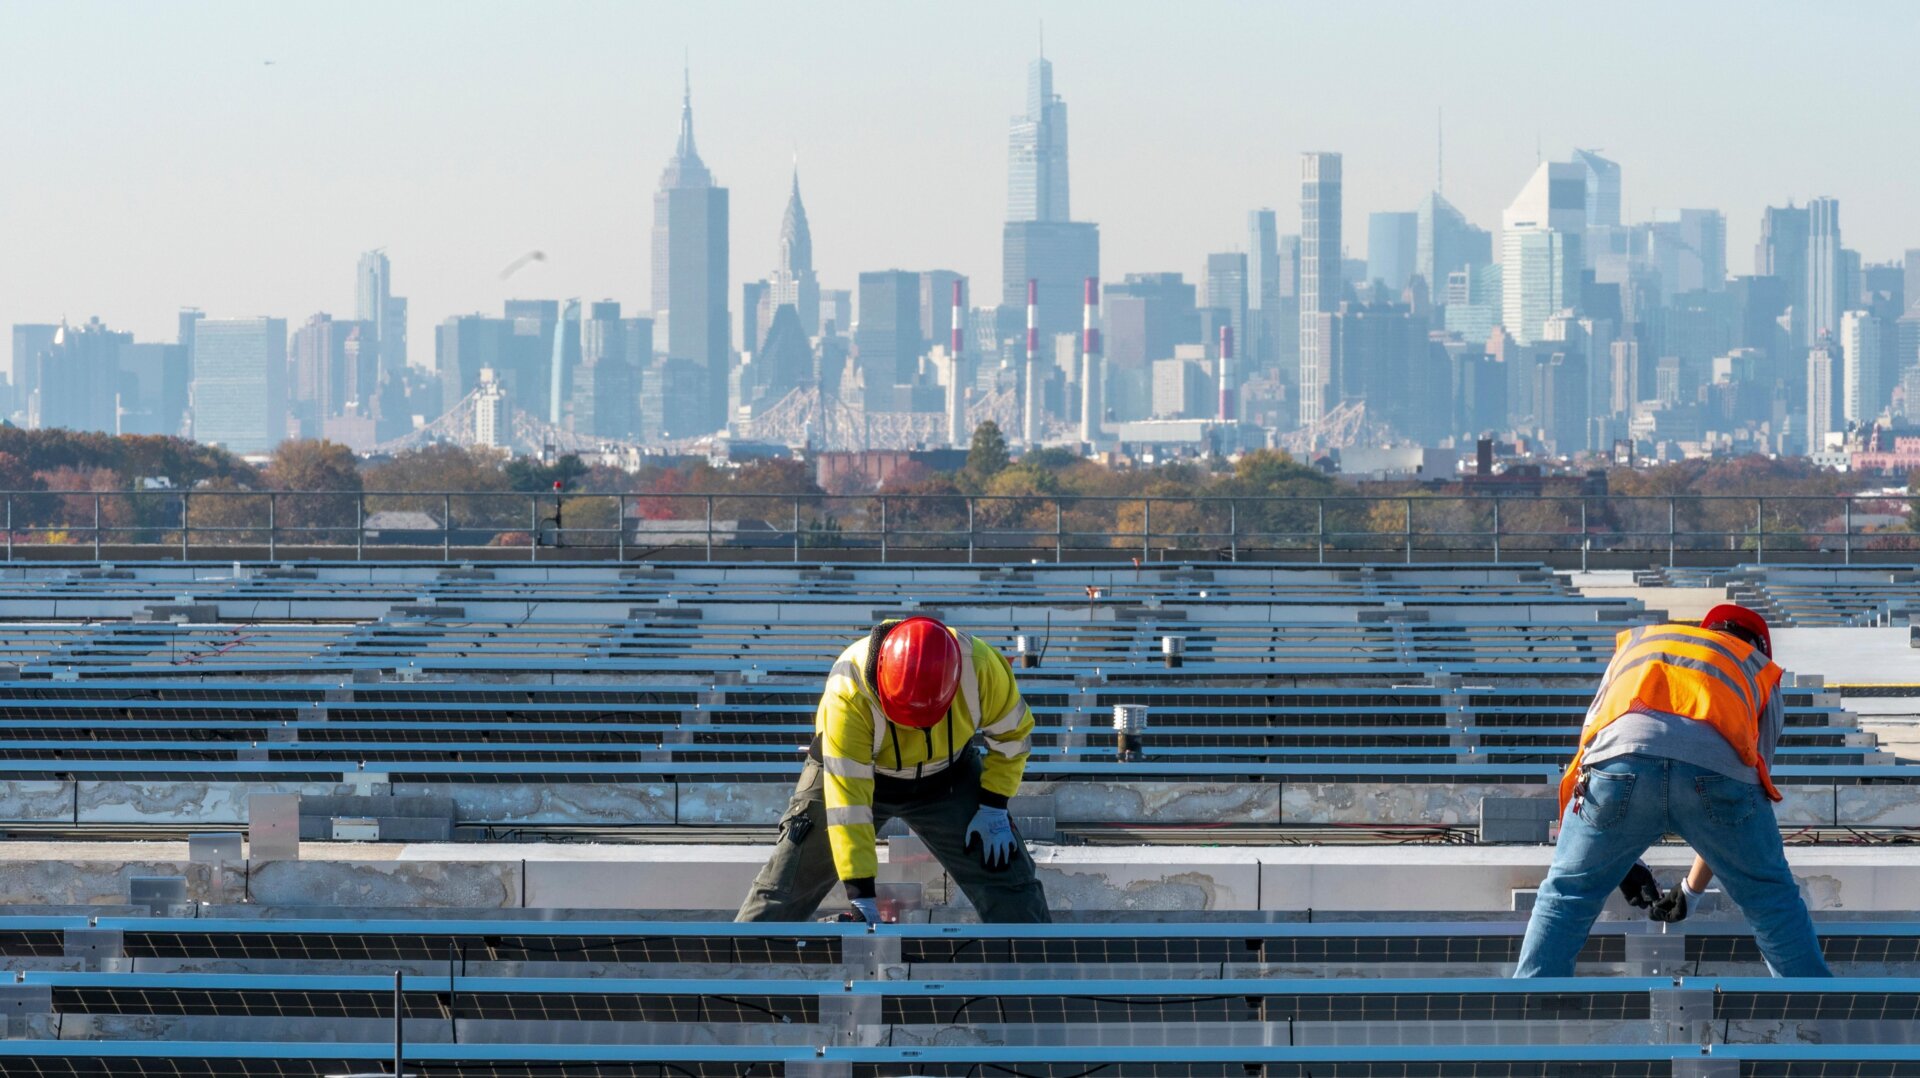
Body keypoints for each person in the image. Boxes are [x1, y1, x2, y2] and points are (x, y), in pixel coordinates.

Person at [1515, 604, 1831, 977]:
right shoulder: (1755, 668)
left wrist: (1621, 864)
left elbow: (1591, 748)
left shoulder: (1645, 646)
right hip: (1717, 775)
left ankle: (1532, 1005)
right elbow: (1743, 796)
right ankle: (1813, 1012)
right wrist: (1691, 891)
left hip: (1618, 765)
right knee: (1771, 901)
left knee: (1567, 895)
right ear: (1759, 647)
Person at [736, 616, 1051, 923]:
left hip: (949, 777)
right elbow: (849, 806)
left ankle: (1037, 968)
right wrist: (861, 892)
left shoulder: (981, 666)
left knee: (1011, 885)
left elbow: (1013, 737)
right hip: (857, 775)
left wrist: (993, 805)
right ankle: (737, 964)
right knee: (785, 886)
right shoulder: (849, 691)